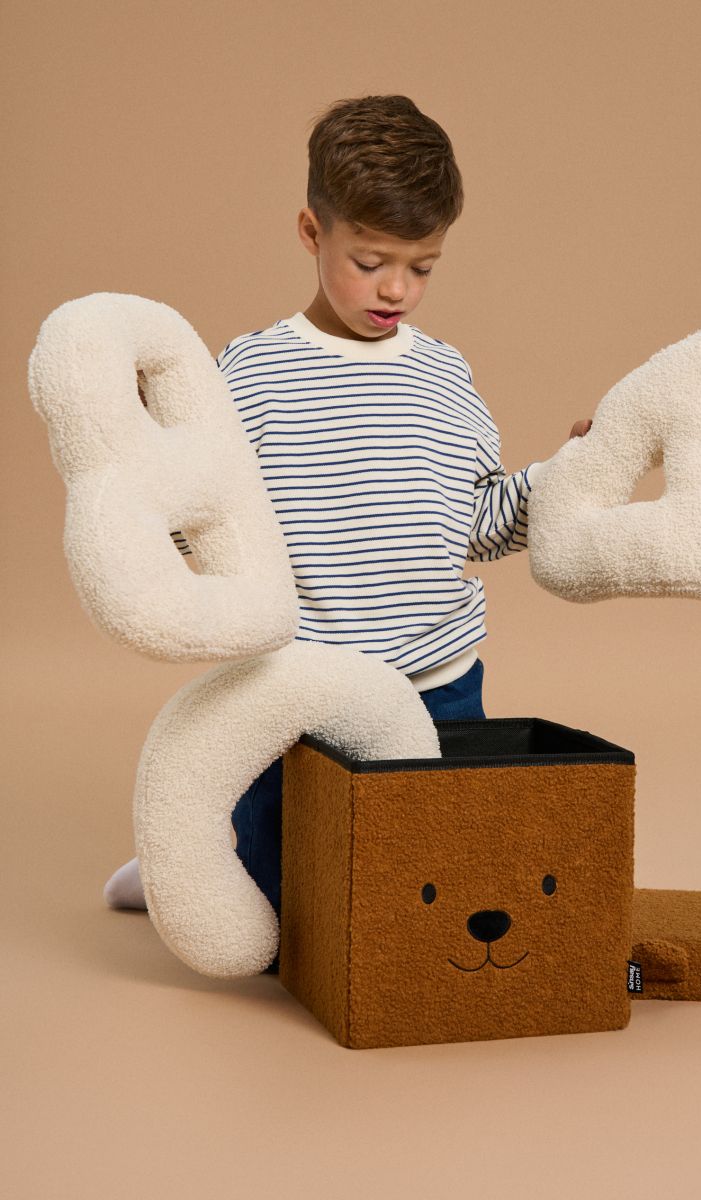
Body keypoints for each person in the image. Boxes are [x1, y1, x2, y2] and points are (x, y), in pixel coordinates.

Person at [104, 95, 593, 967]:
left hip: (436, 679)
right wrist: (154, 465)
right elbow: (211, 527)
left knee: (430, 886)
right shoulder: (249, 373)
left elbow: (480, 523)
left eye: (422, 267)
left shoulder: (445, 375)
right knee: (287, 908)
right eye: (370, 263)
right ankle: (194, 867)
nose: (396, 289)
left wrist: (569, 476)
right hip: (298, 688)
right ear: (312, 232)